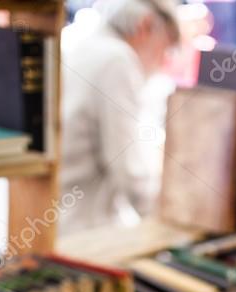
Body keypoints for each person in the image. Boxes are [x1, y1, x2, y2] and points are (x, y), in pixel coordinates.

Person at [59, 0, 179, 235]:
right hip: (83, 231)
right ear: (144, 26)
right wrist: (174, 220)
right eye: (165, 49)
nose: (163, 63)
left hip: (63, 222)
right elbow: (132, 175)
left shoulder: (85, 41)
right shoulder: (116, 59)